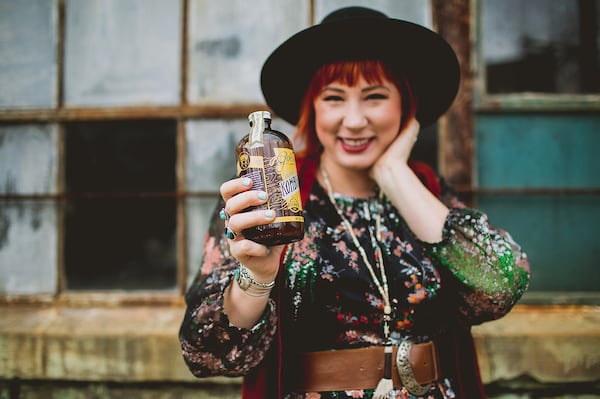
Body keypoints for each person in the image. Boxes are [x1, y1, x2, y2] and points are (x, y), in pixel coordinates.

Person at [179, 6, 530, 399]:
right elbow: (205, 354)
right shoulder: (270, 200)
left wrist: (395, 173)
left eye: (375, 97)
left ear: (405, 107)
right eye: (334, 98)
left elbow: (498, 289)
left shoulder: (428, 190)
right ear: (311, 108)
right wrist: (257, 279)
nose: (355, 119)